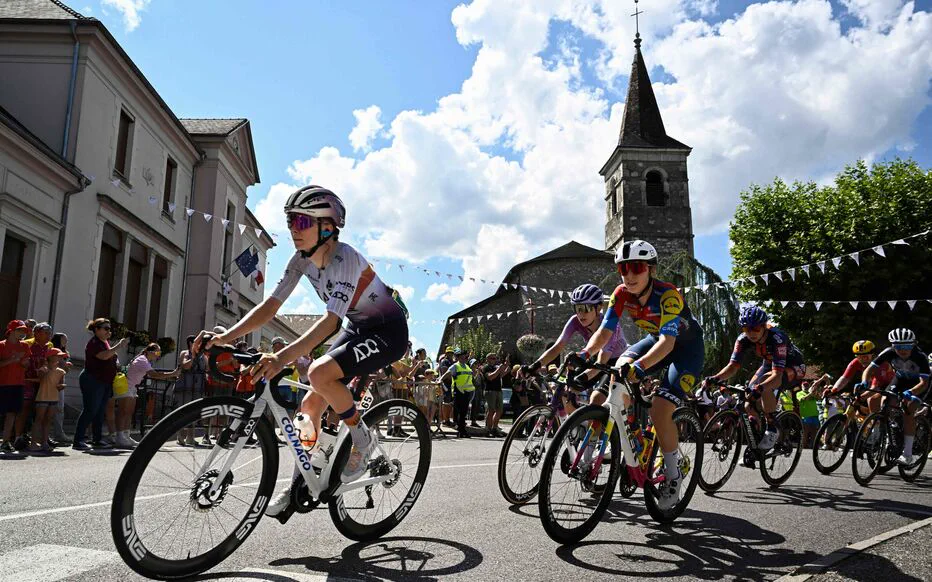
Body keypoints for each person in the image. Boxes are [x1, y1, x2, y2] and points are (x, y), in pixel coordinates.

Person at [195, 185, 408, 518]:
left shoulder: (346, 258)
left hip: (387, 331)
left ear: (327, 227)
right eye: (291, 221)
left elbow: (330, 322)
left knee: (319, 373)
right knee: (308, 408)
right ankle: (300, 483)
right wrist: (226, 337)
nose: (294, 228)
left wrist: (280, 358)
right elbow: (270, 306)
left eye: (302, 222)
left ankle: (362, 440)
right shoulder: (300, 261)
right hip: (358, 327)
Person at [575, 240, 704, 511]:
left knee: (660, 409)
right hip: (654, 341)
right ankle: (628, 433)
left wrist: (640, 367)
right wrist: (586, 353)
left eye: (636, 267)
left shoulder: (668, 295)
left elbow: (668, 344)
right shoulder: (621, 294)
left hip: (685, 350)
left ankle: (673, 473)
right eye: (624, 269)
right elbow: (605, 331)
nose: (629, 275)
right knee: (618, 373)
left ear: (651, 270)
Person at [706, 305, 805, 452]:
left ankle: (772, 429)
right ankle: (755, 445)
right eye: (747, 329)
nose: (751, 333)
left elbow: (776, 376)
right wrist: (714, 378)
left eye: (756, 328)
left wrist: (761, 388)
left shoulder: (777, 338)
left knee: (764, 385)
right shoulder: (743, 339)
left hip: (793, 366)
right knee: (748, 403)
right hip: (769, 364)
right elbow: (733, 367)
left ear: (764, 326)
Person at [524, 284, 627, 415]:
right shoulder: (575, 321)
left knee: (596, 399)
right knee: (565, 392)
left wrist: (579, 379)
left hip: (615, 363)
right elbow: (557, 347)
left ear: (599, 308)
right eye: (577, 309)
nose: (580, 314)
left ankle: (601, 425)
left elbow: (601, 363)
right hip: (595, 358)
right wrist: (535, 366)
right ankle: (577, 425)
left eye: (586, 308)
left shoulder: (610, 325)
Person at [861, 328, 930, 465]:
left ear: (913, 345)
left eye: (907, 347)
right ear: (893, 346)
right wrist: (864, 382)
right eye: (898, 347)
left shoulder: (920, 357)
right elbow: (869, 369)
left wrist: (911, 392)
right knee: (885, 401)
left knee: (908, 409)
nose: (903, 350)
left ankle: (907, 454)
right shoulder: (889, 352)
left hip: (919, 384)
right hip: (900, 379)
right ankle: (891, 432)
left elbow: (924, 383)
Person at [73, 319, 124, 450]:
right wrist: (118, 346)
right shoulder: (94, 343)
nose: (108, 331)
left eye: (109, 329)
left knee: (100, 411)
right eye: (106, 328)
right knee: (90, 409)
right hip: (93, 380)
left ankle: (97, 439)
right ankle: (78, 440)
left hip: (104, 381)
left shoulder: (105, 342)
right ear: (97, 329)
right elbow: (103, 356)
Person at [120, 343, 180, 448]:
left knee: (129, 413)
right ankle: (120, 437)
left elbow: (154, 374)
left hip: (132, 387)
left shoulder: (146, 360)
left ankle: (126, 436)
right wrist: (173, 374)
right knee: (124, 412)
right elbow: (154, 375)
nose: (158, 355)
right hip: (126, 386)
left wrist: (171, 375)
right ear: (149, 352)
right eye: (157, 352)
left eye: (159, 352)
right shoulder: (142, 360)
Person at [15, 321, 53, 450]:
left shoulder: (49, 347)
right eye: (45, 333)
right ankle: (17, 437)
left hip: (42, 383)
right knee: (24, 409)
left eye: (50, 333)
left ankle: (39, 439)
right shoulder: (27, 344)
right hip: (27, 381)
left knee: (41, 412)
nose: (48, 335)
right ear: (36, 333)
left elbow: (51, 362)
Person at [29, 348, 67, 454]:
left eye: (60, 356)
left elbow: (60, 385)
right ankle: (33, 443)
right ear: (50, 357)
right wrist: (44, 371)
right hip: (42, 397)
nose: (60, 358)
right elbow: (40, 378)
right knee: (39, 419)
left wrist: (61, 386)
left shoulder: (61, 372)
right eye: (58, 356)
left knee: (48, 420)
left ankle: (44, 442)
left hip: (54, 398)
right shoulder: (43, 369)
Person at [0, 320, 30, 453]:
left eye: (24, 331)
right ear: (11, 331)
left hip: (18, 383)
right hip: (2, 383)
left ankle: (5, 442)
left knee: (12, 413)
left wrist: (24, 362)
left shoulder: (24, 346)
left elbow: (26, 365)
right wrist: (12, 359)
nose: (22, 333)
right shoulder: (1, 345)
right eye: (19, 330)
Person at [439, 348, 475, 438]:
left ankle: (462, 430)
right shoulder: (455, 366)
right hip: (458, 391)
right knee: (459, 411)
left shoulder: (467, 366)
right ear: (458, 358)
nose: (464, 358)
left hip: (466, 392)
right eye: (462, 357)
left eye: (465, 357)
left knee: (464, 412)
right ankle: (460, 430)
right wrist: (440, 380)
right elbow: (447, 373)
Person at [49, 333, 73, 445]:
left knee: (59, 409)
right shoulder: (53, 351)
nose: (66, 342)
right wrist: (64, 365)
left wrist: (66, 366)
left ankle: (58, 433)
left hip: (61, 381)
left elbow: (65, 370)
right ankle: (48, 434)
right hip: (51, 382)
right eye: (64, 340)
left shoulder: (65, 353)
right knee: (50, 408)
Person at [483, 353, 507, 436]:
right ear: (487, 359)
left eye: (495, 358)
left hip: (498, 390)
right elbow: (490, 377)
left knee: (499, 410)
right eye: (492, 358)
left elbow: (500, 376)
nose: (495, 360)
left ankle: (494, 428)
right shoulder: (486, 367)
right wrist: (499, 369)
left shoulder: (495, 367)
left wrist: (506, 368)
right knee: (491, 410)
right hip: (490, 390)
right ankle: (488, 429)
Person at [437, 346, 456, 427]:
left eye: (452, 353)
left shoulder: (452, 362)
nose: (450, 354)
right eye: (449, 353)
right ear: (446, 353)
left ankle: (447, 419)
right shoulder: (445, 361)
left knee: (450, 403)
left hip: (452, 385)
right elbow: (445, 373)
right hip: (446, 384)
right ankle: (445, 420)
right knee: (446, 403)